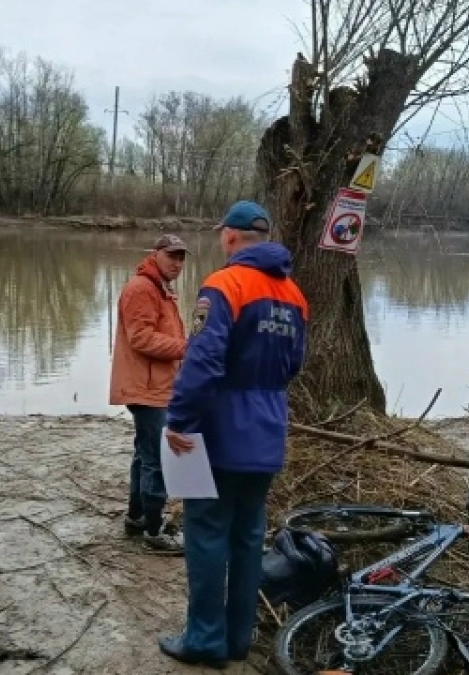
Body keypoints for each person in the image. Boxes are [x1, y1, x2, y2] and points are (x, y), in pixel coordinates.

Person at [157, 200, 309, 669]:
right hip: (267, 429)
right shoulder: (295, 296)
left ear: (230, 237)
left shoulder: (224, 285)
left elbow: (203, 363)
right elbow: (295, 365)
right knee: (248, 537)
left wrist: (178, 421)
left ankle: (204, 640)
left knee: (206, 533)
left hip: (221, 430)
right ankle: (238, 638)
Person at [109, 233, 191, 553]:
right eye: (172, 255)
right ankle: (155, 533)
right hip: (146, 390)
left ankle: (137, 517)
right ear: (155, 254)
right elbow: (141, 338)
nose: (178, 263)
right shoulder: (141, 288)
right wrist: (187, 348)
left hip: (156, 386)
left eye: (182, 257)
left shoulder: (161, 289)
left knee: (144, 455)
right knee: (157, 459)